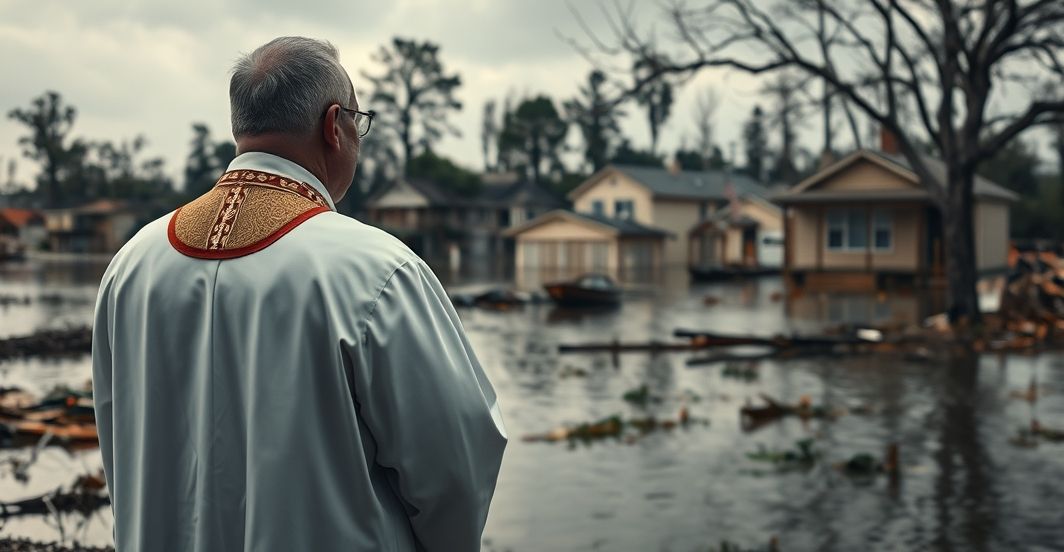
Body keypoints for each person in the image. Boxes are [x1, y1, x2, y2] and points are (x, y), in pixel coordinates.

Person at [91, 36, 507, 551]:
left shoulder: (132, 265)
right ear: (335, 126)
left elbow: (117, 446)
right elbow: (455, 469)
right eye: (359, 120)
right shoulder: (377, 272)